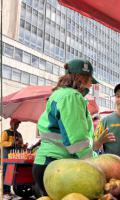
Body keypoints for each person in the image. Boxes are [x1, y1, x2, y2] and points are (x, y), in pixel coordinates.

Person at [32, 59, 107, 197]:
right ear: (80, 77)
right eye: (90, 80)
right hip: (58, 166)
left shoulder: (61, 95)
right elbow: (77, 141)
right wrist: (95, 164)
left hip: (51, 164)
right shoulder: (71, 97)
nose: (91, 85)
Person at [1, 118, 27, 197]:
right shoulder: (6, 132)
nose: (17, 126)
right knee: (6, 174)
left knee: (13, 174)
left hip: (16, 158)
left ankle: (10, 191)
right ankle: (5, 192)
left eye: (18, 124)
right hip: (7, 157)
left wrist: (23, 146)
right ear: (11, 124)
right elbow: (2, 143)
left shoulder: (19, 134)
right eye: (15, 124)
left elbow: (21, 144)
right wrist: (12, 143)